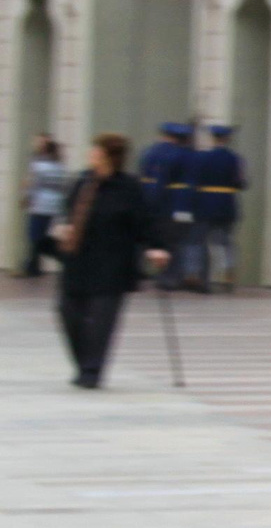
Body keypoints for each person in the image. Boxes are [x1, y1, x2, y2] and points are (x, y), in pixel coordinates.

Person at [51, 134, 169, 388]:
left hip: (112, 265)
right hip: (78, 261)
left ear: (108, 157)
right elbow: (66, 213)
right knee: (67, 312)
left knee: (101, 321)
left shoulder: (129, 188)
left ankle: (92, 371)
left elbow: (146, 221)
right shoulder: (82, 182)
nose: (90, 154)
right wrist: (62, 228)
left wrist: (156, 248)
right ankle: (83, 363)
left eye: (95, 150)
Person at [187, 125, 248, 291]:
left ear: (212, 138)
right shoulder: (235, 159)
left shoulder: (202, 157)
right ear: (227, 139)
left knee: (198, 241)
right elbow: (241, 183)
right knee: (225, 242)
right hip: (226, 204)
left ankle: (195, 274)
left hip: (204, 204)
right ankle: (228, 274)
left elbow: (194, 181)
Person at [138, 123, 193, 288]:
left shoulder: (150, 152)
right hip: (175, 204)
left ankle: (144, 273)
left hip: (153, 202)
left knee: (150, 239)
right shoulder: (183, 154)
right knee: (174, 242)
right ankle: (170, 277)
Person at [21, 134, 68, 277]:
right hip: (54, 207)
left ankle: (63, 258)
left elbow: (32, 184)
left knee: (36, 237)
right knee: (41, 237)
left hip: (39, 205)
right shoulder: (60, 167)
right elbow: (63, 188)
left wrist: (26, 197)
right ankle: (32, 266)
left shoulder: (38, 166)